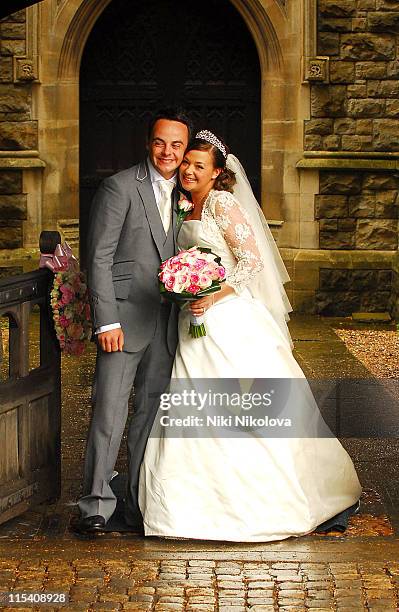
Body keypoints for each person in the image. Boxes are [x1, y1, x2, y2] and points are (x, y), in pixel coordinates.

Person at [138, 130, 362, 542]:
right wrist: (188, 289)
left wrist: (210, 293)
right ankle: (192, 502)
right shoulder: (185, 203)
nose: (187, 168)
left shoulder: (223, 204)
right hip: (193, 322)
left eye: (198, 165)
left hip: (227, 318)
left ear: (217, 172)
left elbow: (252, 262)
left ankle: (262, 501)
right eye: (186, 162)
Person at [75, 108, 192, 534]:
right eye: (161, 142)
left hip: (166, 324)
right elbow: (99, 258)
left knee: (150, 415)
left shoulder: (188, 192)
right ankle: (94, 506)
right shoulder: (119, 186)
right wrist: (106, 322)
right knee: (109, 413)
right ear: (149, 142)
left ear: (185, 148)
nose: (168, 152)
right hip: (122, 322)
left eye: (177, 144)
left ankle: (138, 500)